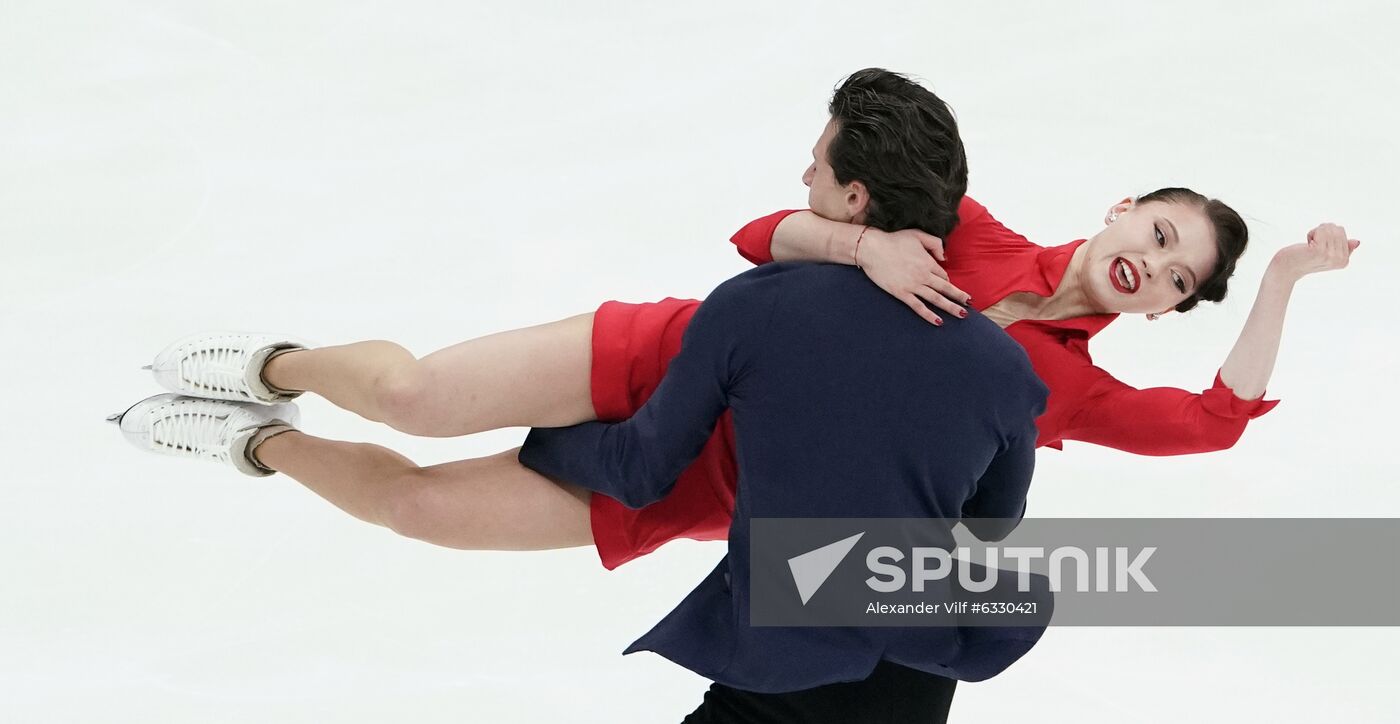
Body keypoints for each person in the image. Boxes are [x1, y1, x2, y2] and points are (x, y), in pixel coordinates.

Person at [108, 69, 1360, 570]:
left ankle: (257, 440)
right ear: (1123, 208)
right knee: (410, 396)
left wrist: (1281, 283)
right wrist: (863, 244)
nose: (1153, 265)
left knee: (420, 509)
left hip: (703, 477)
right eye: (1160, 233)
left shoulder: (1062, 392)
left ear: (1169, 308)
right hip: (664, 354)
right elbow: (764, 232)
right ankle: (274, 364)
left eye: (1179, 278)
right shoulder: (966, 227)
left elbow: (1214, 423)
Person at [516, 259, 1050, 721]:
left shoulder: (768, 302)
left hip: (797, 649)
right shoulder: (1003, 365)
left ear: (856, 197)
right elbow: (995, 522)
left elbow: (640, 470)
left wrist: (545, 440)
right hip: (909, 655)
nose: (807, 183)